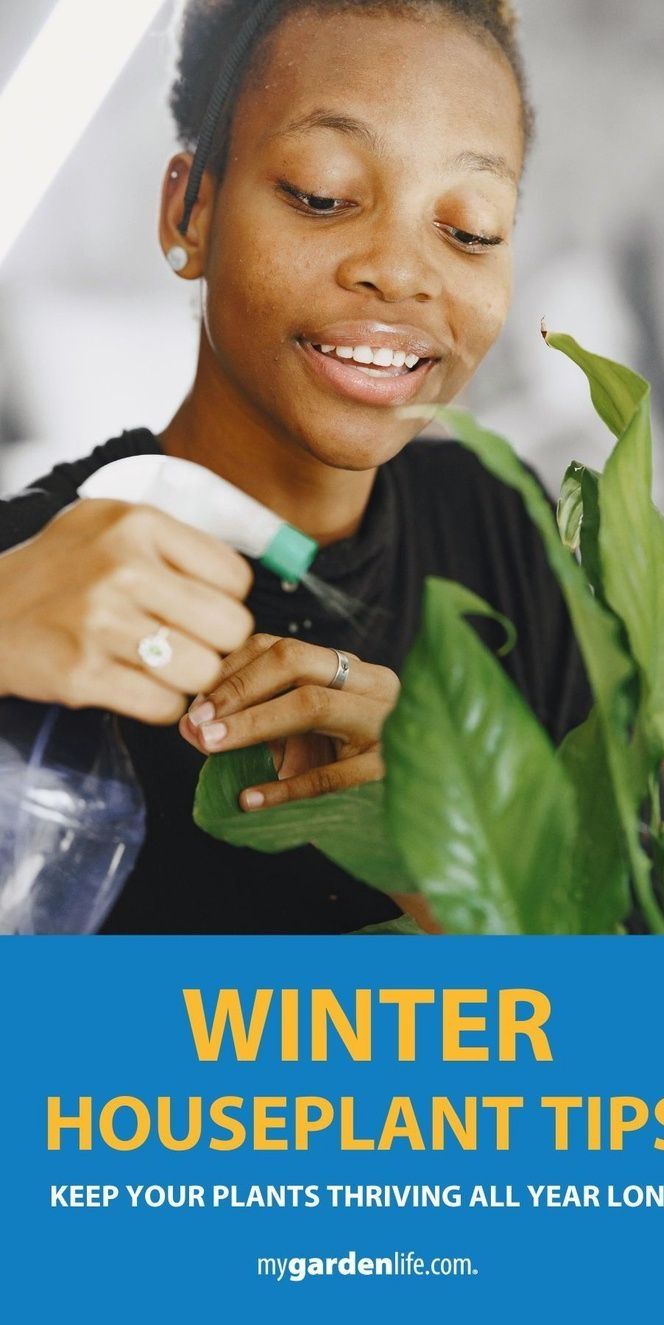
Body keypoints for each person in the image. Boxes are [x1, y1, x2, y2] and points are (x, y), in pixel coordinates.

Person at [0, 0, 590, 934]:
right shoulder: (27, 568)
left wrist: (454, 863)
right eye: (323, 194)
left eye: (472, 228)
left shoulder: (508, 527)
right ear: (188, 210)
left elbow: (635, 1020)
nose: (401, 272)